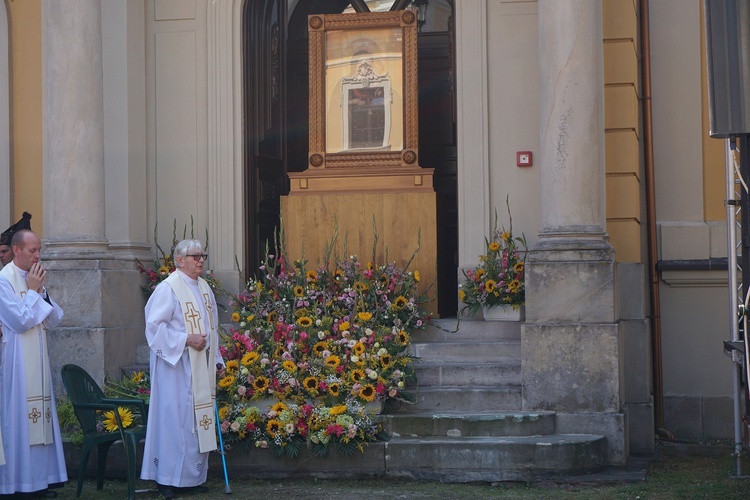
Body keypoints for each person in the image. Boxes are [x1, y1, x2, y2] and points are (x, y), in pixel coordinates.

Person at [140, 239, 223, 499]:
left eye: (202, 255)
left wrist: (217, 360)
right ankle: (167, 480)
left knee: (195, 424)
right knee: (175, 424)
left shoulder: (205, 287)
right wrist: (186, 339)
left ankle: (191, 478)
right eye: (194, 256)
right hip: (175, 371)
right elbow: (154, 328)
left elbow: (212, 330)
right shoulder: (168, 289)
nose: (200, 260)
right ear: (179, 260)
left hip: (200, 368)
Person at [0, 229, 66, 497]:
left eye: (39, 250)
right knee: (18, 421)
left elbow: (53, 320)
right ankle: (18, 483)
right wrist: (33, 292)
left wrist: (39, 292)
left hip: (36, 360)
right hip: (16, 365)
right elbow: (20, 321)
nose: (38, 256)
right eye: (32, 250)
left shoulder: (33, 279)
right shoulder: (4, 280)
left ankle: (40, 480)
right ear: (17, 250)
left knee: (39, 420)